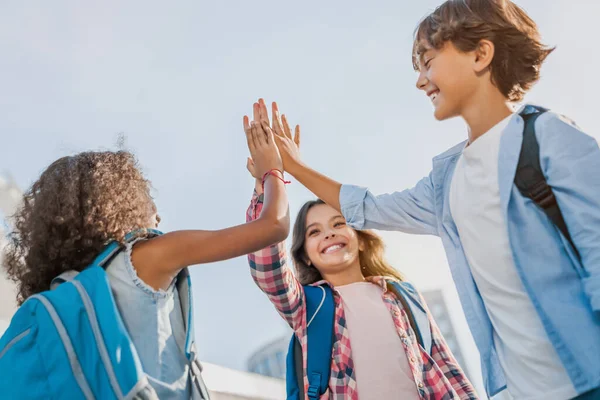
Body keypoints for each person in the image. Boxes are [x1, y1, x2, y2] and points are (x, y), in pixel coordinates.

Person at [255, 1, 600, 398]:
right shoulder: (445, 184)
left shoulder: (548, 138)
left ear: (480, 54)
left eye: (428, 62)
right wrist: (295, 168)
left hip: (585, 379)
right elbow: (367, 206)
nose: (421, 81)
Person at [2, 111, 288, 399]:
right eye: (148, 198)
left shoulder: (81, 296)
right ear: (121, 201)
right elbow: (274, 226)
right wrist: (273, 170)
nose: (159, 216)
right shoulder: (146, 256)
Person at [245, 102, 477, 399]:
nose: (328, 233)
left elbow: (446, 368)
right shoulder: (309, 306)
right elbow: (268, 268)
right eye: (314, 232)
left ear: (362, 238)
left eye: (338, 223)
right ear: (304, 254)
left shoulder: (402, 297)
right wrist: (269, 181)